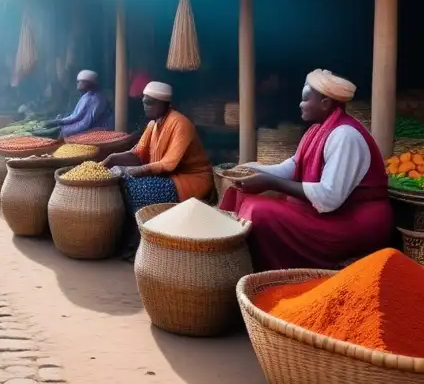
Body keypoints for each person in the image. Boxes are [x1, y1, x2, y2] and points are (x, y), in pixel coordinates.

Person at [220, 70, 393, 271]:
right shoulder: (316, 130)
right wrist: (250, 170)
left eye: (305, 99)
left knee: (259, 212)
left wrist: (269, 182)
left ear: (325, 102)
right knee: (246, 199)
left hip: (354, 224)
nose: (300, 104)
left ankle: (271, 274)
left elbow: (329, 198)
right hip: (333, 216)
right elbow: (292, 166)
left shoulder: (345, 136)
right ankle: (243, 269)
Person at [103, 81, 213, 260]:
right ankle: (132, 238)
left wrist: (134, 171)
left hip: (190, 181)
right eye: (144, 102)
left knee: (134, 187)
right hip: (168, 177)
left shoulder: (180, 123)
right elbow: (137, 153)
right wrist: (113, 159)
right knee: (121, 180)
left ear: (164, 103)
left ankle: (142, 242)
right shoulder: (153, 125)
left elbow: (168, 164)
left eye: (150, 103)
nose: (145, 106)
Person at [35, 70, 113, 138]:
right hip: (87, 126)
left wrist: (60, 130)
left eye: (80, 81)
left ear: (88, 83)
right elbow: (75, 117)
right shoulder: (86, 96)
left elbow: (85, 123)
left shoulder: (96, 99)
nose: (78, 83)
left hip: (99, 130)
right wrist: (57, 122)